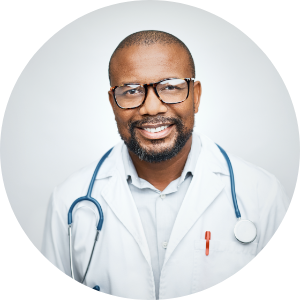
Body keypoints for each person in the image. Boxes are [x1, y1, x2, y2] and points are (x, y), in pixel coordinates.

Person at [41, 30, 290, 299]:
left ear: (196, 95)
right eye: (132, 91)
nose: (151, 108)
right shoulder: (69, 201)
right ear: (113, 103)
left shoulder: (262, 195)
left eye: (170, 87)